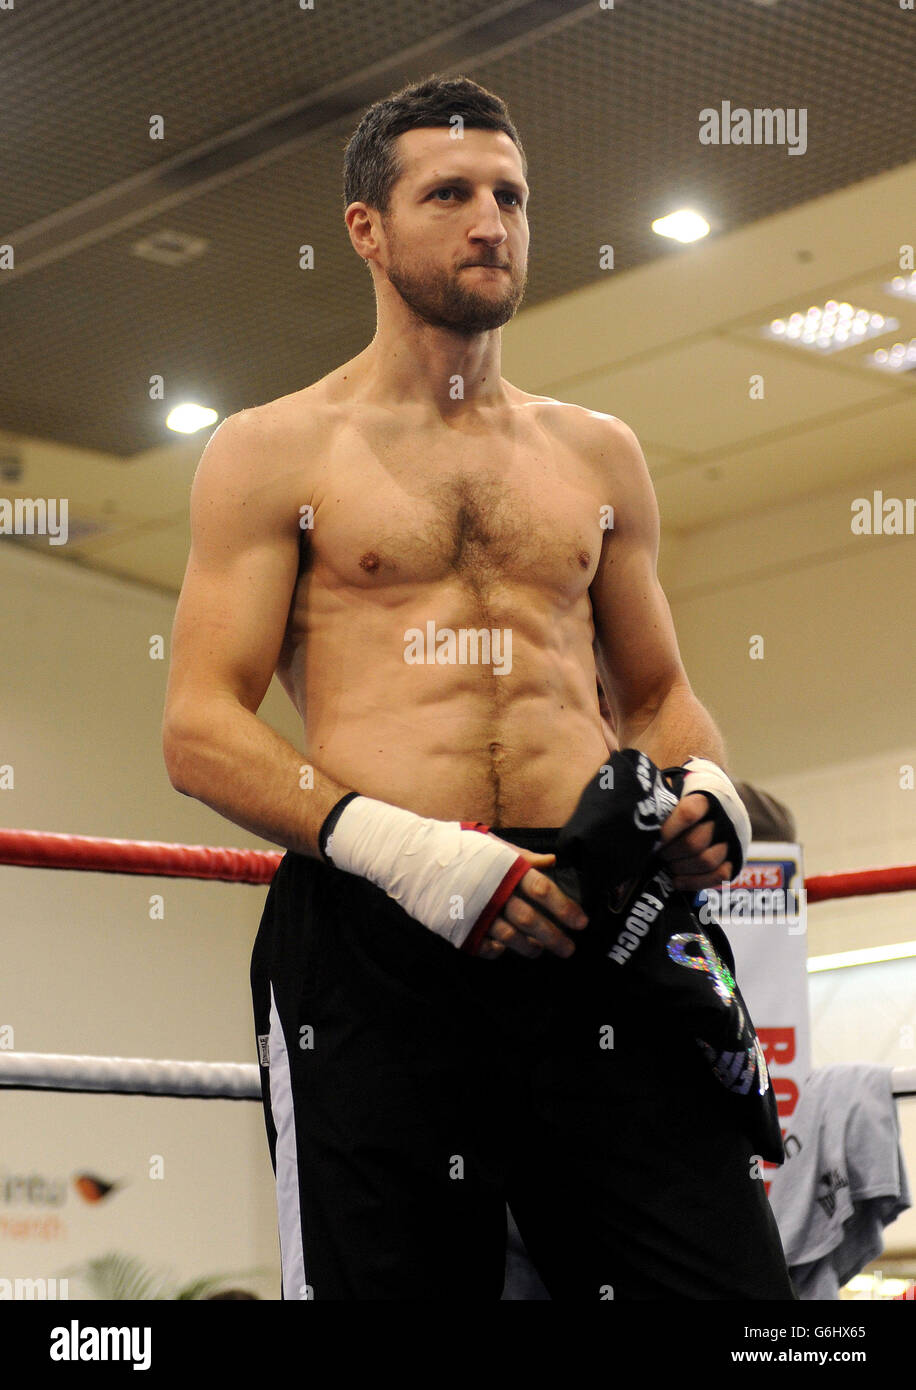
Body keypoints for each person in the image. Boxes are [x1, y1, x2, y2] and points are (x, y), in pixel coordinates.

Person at [162, 74, 796, 1300]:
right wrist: (427, 861)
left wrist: (701, 784)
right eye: (447, 194)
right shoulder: (271, 448)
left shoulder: (596, 452)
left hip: (594, 922)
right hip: (380, 937)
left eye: (509, 195)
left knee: (735, 1302)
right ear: (365, 227)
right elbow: (197, 728)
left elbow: (661, 695)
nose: (489, 222)